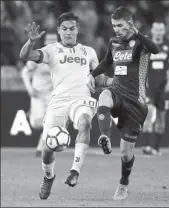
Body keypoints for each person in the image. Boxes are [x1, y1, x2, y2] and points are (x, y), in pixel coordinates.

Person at [20, 12, 108, 200]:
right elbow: (25, 56)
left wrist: (115, 82)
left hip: (81, 99)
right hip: (58, 101)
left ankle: (75, 170)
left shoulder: (89, 51)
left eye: (72, 29)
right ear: (59, 31)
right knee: (47, 149)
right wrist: (31, 41)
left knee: (85, 123)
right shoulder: (51, 50)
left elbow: (99, 78)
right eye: (65, 29)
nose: (68, 32)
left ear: (78, 29)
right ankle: (49, 176)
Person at [87, 6, 159, 200]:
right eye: (114, 26)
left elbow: (156, 49)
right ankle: (104, 136)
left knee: (126, 155)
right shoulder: (113, 42)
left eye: (119, 25)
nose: (116, 29)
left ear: (129, 23)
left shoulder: (140, 44)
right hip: (117, 91)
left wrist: (138, 34)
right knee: (103, 96)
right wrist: (92, 75)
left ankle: (123, 184)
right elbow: (105, 63)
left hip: (136, 103)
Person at [142, 22, 169, 155]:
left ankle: (155, 147)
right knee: (148, 115)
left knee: (161, 117)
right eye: (157, 29)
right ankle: (148, 146)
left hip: (163, 88)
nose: (159, 32)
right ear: (152, 30)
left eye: (161, 29)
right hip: (149, 87)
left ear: (164, 31)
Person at [21, 60, 52, 157]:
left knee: (50, 122)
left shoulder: (60, 60)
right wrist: (29, 88)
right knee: (36, 124)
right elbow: (24, 72)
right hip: (37, 94)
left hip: (52, 94)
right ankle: (32, 115)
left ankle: (40, 148)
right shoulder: (37, 58)